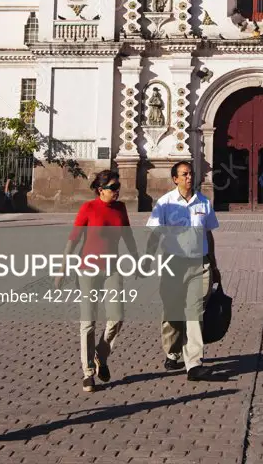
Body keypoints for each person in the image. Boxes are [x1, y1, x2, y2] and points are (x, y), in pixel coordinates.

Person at [64, 169, 138, 392]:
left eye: (118, 188)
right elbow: (74, 240)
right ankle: (88, 373)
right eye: (113, 188)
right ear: (100, 190)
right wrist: (62, 269)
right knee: (88, 322)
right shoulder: (88, 208)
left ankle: (101, 353)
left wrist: (137, 260)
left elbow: (128, 236)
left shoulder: (121, 208)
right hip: (88, 270)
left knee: (117, 317)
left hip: (112, 269)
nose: (117, 192)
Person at [146, 161, 220, 380]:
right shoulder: (165, 203)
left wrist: (214, 265)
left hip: (200, 264)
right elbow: (154, 233)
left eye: (191, 174)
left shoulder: (204, 202)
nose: (189, 177)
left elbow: (208, 234)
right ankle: (172, 350)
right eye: (184, 174)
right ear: (175, 179)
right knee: (172, 312)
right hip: (173, 264)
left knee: (194, 312)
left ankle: (194, 364)